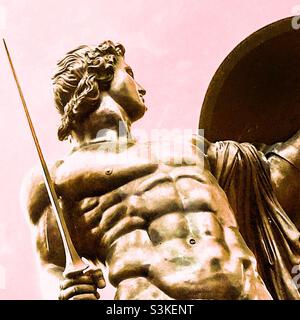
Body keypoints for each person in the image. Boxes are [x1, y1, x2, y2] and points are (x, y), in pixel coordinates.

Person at [22, 40, 300, 300]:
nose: (141, 87)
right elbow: (52, 268)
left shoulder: (189, 146)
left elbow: (269, 187)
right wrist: (65, 289)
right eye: (128, 73)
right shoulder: (57, 176)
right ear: (96, 80)